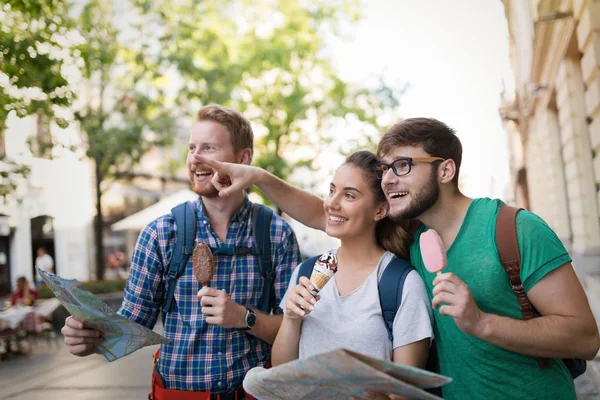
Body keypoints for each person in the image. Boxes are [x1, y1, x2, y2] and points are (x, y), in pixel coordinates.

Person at [196, 117, 600, 400]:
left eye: (403, 166)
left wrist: (482, 322)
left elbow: (585, 338)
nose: (389, 177)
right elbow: (329, 214)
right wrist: (259, 177)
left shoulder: (515, 228)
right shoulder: (416, 238)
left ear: (445, 171)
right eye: (387, 168)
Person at [61, 104, 302, 398]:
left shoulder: (276, 234)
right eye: (191, 148)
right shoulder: (161, 233)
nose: (195, 159)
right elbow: (133, 326)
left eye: (209, 148)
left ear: (243, 158)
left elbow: (293, 331)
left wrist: (243, 317)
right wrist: (91, 337)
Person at [270, 151, 433, 382]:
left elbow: (405, 391)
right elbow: (282, 370)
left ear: (380, 210)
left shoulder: (403, 284)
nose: (331, 203)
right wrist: (291, 317)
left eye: (349, 195)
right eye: (331, 191)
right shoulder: (306, 272)